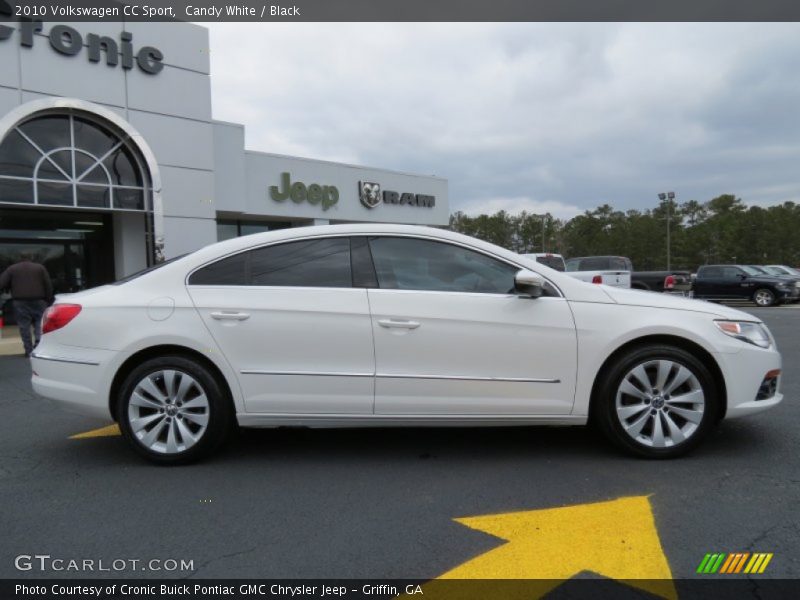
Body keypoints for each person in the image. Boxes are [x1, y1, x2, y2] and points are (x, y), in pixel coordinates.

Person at [0, 252, 53, 358]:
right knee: (40, 323)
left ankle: (28, 350)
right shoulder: (40, 268)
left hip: (20, 301)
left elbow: (1, 283)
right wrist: (48, 299)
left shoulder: (12, 269)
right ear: (31, 258)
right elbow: (48, 284)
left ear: (20, 258)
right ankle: (38, 345)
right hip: (39, 300)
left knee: (24, 326)